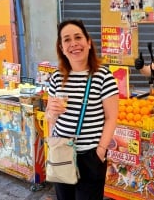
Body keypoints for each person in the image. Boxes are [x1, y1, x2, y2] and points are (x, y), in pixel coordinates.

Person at [45, 19, 119, 200]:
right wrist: (51, 113)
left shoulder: (103, 76)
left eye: (78, 37)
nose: (73, 43)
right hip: (61, 152)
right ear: (61, 48)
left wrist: (100, 151)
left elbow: (111, 117)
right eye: (67, 40)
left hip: (90, 156)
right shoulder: (56, 77)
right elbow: (50, 117)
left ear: (88, 42)